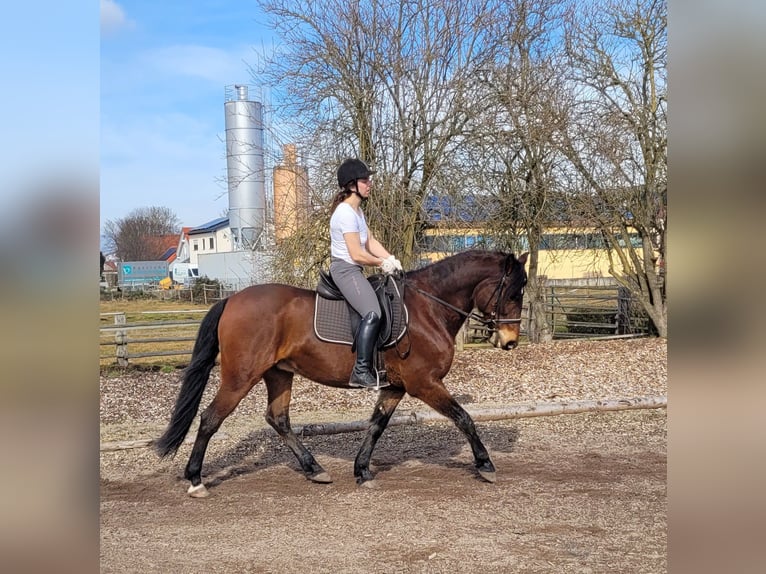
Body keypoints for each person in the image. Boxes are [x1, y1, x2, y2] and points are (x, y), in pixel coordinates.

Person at [329, 158, 403, 389]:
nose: (369, 184)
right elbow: (357, 254)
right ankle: (361, 370)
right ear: (352, 185)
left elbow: (370, 241)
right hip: (345, 268)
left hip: (354, 268)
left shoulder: (357, 212)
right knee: (372, 312)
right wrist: (382, 263)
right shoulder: (345, 213)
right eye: (365, 180)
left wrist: (392, 259)